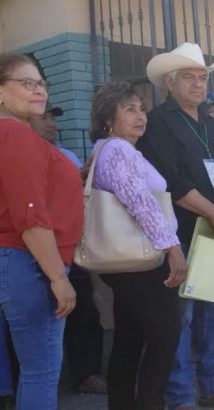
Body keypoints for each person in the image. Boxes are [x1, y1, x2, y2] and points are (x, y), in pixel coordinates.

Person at [137, 43, 214, 410]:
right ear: (170, 81)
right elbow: (170, 180)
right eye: (189, 77)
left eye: (203, 78)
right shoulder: (158, 122)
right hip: (182, 234)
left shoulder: (213, 125)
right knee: (181, 319)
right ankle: (181, 396)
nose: (198, 84)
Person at [89, 81, 188, 410]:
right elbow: (141, 202)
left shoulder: (114, 149)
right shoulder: (117, 150)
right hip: (142, 261)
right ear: (108, 117)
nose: (140, 116)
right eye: (129, 109)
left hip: (128, 262)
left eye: (142, 109)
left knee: (129, 340)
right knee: (164, 339)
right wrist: (173, 248)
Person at [0, 52, 82, 410]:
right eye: (27, 83)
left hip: (18, 260)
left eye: (41, 83)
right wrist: (58, 278)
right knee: (41, 371)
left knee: (36, 369)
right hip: (29, 262)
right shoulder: (16, 135)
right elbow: (30, 214)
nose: (39, 91)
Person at [28, 104, 108, 395]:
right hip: (34, 247)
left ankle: (86, 373)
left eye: (52, 118)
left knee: (84, 310)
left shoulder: (67, 154)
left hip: (71, 246)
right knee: (36, 320)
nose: (50, 123)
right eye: (44, 117)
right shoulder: (23, 151)